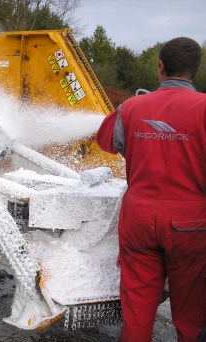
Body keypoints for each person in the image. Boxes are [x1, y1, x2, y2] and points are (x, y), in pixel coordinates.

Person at [96, 37, 205, 342]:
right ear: (195, 71)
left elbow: (106, 141)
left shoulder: (131, 106)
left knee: (138, 310)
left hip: (139, 220)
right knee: (191, 311)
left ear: (160, 66)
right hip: (192, 225)